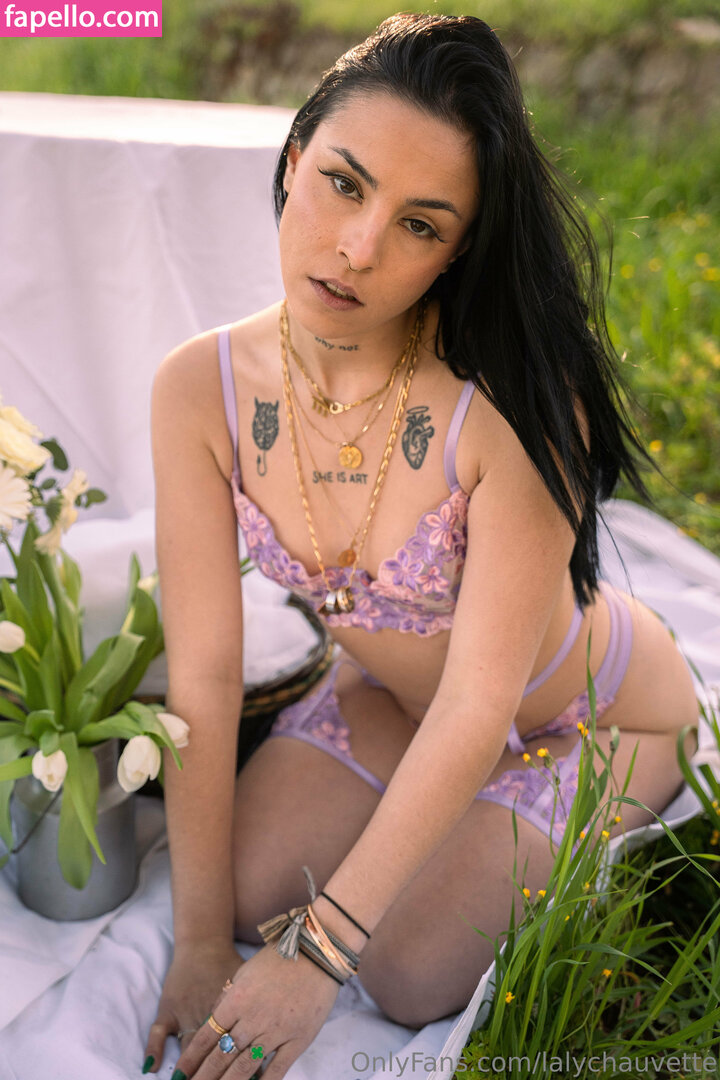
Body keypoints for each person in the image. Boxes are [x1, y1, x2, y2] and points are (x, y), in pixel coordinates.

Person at [144, 13, 698, 1079]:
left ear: (458, 251)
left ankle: (601, 824)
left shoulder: (510, 406)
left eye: (419, 225)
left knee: (407, 967)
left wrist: (320, 956)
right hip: (395, 702)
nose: (359, 248)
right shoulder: (197, 389)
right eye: (344, 184)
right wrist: (200, 942)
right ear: (294, 159)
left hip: (589, 711)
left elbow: (481, 701)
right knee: (247, 889)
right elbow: (204, 671)